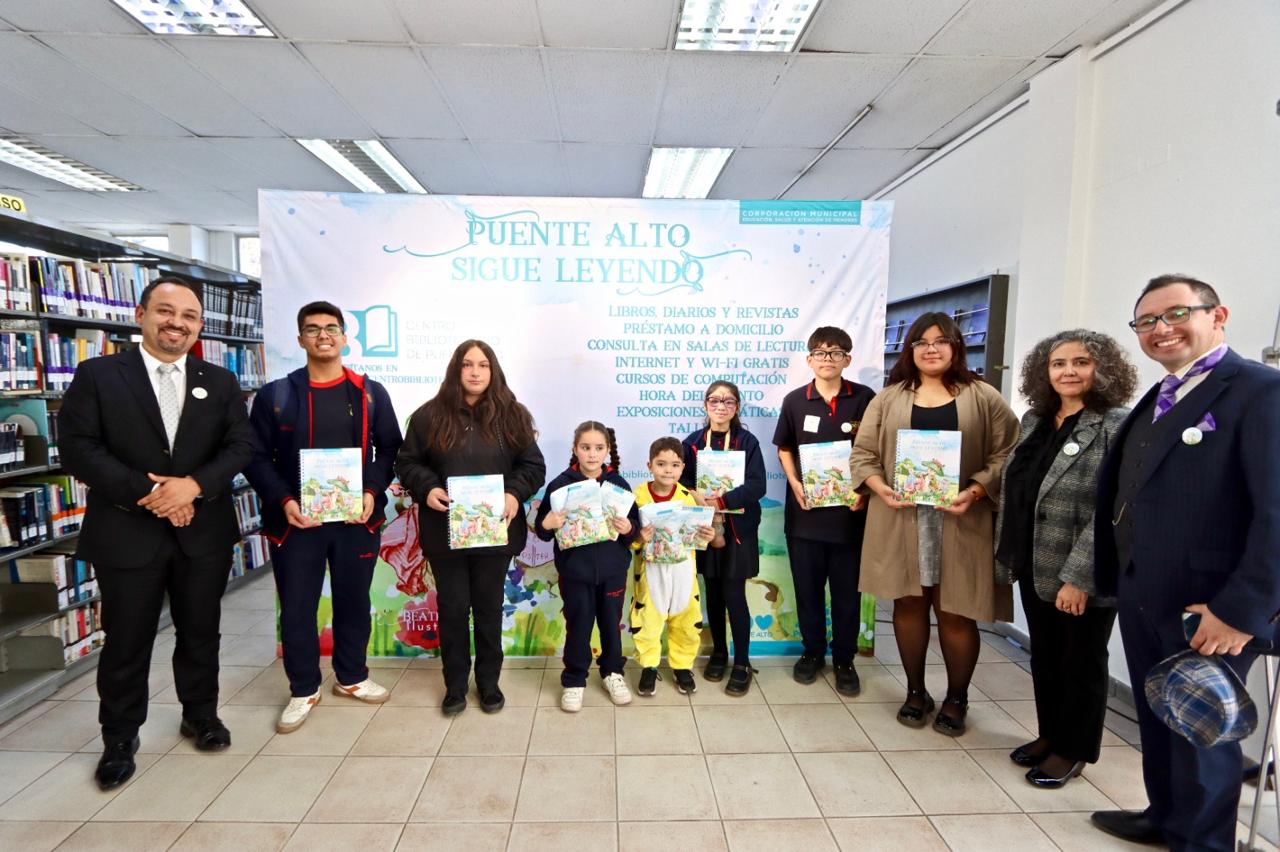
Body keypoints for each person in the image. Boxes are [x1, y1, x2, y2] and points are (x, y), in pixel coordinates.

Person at [1090, 275, 1280, 850]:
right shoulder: (1164, 392)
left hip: (1212, 607)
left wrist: (1240, 611)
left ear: (1217, 314)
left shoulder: (1258, 391)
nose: (1160, 329)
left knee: (1204, 730)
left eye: (1176, 314)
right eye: (1146, 321)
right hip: (1147, 592)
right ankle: (1166, 816)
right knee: (1160, 712)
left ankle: (1203, 841)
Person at [58, 277, 254, 789]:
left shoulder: (221, 380)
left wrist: (192, 487)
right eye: (166, 312)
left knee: (200, 633)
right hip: (127, 529)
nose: (177, 323)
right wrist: (153, 494)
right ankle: (119, 738)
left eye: (189, 316)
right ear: (141, 314)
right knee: (126, 640)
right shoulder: (99, 375)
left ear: (199, 326)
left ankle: (201, 716)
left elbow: (239, 447)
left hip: (201, 530)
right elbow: (79, 448)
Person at [851, 311, 1018, 736]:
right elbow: (863, 453)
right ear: (910, 350)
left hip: (961, 519)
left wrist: (977, 489)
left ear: (955, 346)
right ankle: (915, 691)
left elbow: (1010, 453)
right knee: (907, 604)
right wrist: (878, 487)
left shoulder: (982, 395)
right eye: (921, 342)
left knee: (956, 611)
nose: (931, 349)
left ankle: (957, 697)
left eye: (941, 340)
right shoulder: (888, 399)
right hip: (900, 517)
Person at [244, 301, 402, 733]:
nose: (323, 336)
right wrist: (283, 502)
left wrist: (372, 490)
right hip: (296, 525)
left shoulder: (369, 393)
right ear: (300, 340)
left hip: (355, 523)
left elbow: (390, 449)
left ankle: (352, 678)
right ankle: (303, 688)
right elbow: (255, 458)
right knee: (297, 608)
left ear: (345, 337)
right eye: (312, 329)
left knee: (354, 603)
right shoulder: (277, 395)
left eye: (331, 328)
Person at [994, 330, 1137, 787]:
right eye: (1058, 364)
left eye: (1080, 362)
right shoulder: (1036, 419)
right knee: (1047, 658)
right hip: (1035, 562)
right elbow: (1018, 485)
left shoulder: (1117, 424)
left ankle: (1073, 750)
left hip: (1082, 573)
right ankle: (1050, 735)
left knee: (1081, 662)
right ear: (1044, 371)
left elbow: (1116, 509)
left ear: (1103, 369)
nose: (1068, 372)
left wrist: (1081, 577)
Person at [394, 340, 545, 716]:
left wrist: (514, 493)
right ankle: (456, 686)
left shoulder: (513, 416)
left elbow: (533, 466)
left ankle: (489, 683)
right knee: (453, 608)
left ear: (493, 370)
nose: (475, 372)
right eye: (467, 365)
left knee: (490, 609)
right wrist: (426, 488)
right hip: (445, 534)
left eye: (483, 364)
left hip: (495, 532)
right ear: (455, 370)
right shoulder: (429, 416)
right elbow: (407, 463)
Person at [772, 327, 876, 694]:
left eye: (835, 352)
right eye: (819, 352)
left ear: (847, 359)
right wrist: (795, 483)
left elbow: (877, 451)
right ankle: (812, 653)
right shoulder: (795, 401)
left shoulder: (865, 399)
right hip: (805, 515)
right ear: (809, 360)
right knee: (808, 590)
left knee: (848, 592)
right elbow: (784, 447)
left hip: (852, 515)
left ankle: (844, 659)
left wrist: (865, 489)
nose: (827, 358)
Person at [534, 421, 640, 711]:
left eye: (598, 448)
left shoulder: (618, 484)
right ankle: (573, 680)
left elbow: (636, 529)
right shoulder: (560, 484)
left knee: (610, 625)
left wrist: (628, 526)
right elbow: (542, 530)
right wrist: (548, 522)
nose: (592, 454)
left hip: (612, 571)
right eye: (585, 447)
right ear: (575, 449)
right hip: (575, 572)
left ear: (607, 450)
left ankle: (613, 673)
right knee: (578, 626)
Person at [680, 381, 767, 695]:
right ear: (705, 405)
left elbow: (758, 486)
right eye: (715, 401)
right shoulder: (691, 443)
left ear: (737, 407)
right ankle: (719, 652)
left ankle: (742, 662)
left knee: (734, 595)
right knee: (713, 594)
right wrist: (696, 496)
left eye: (728, 401)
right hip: (705, 530)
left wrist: (721, 500)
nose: (721, 406)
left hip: (738, 532)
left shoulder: (747, 441)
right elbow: (681, 481)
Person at [630, 437, 715, 696]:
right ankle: (649, 667)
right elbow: (627, 536)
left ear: (682, 467)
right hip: (650, 571)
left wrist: (707, 536)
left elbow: (699, 535)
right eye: (661, 464)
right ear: (650, 465)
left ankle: (681, 666)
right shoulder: (637, 496)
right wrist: (637, 539)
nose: (668, 470)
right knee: (648, 619)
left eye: (675, 465)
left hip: (682, 570)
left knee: (686, 619)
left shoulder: (689, 498)